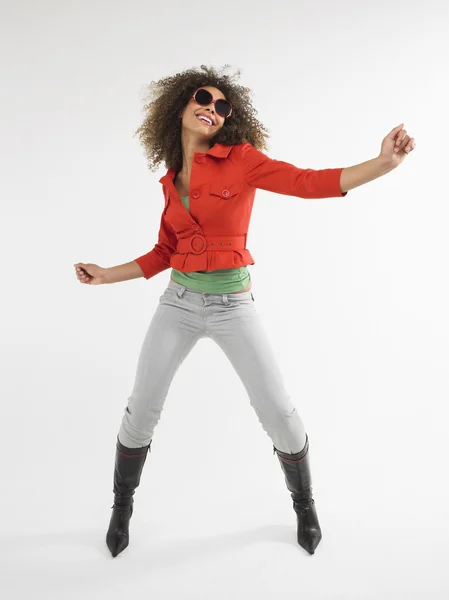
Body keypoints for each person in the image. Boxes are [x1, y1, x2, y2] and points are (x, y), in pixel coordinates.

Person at [73, 65, 415, 559]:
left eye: (222, 107)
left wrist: (382, 164)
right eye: (203, 99)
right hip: (179, 304)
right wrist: (107, 273)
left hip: (234, 305)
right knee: (141, 408)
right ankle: (121, 508)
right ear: (180, 107)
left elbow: (307, 182)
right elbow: (164, 252)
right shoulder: (171, 182)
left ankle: (304, 504)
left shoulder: (242, 161)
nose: (212, 110)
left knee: (277, 409)